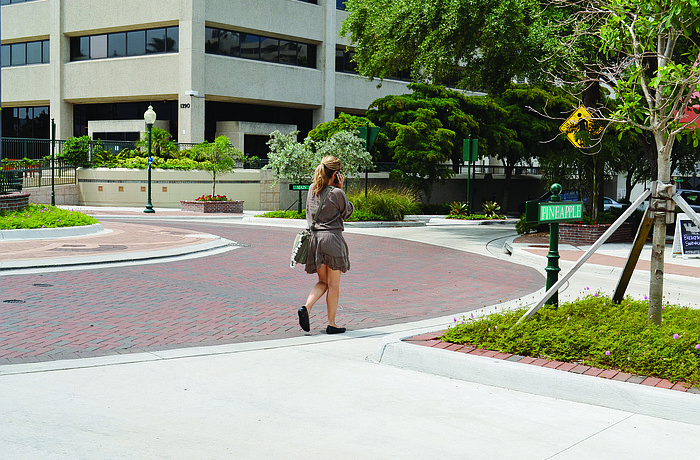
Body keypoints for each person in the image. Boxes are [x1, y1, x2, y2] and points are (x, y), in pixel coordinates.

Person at [297, 156, 354, 334]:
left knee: (322, 281)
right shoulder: (337, 193)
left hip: (315, 241)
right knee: (334, 284)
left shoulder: (312, 189)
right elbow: (348, 212)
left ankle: (306, 307)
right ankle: (332, 323)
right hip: (332, 240)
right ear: (336, 174)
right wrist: (341, 188)